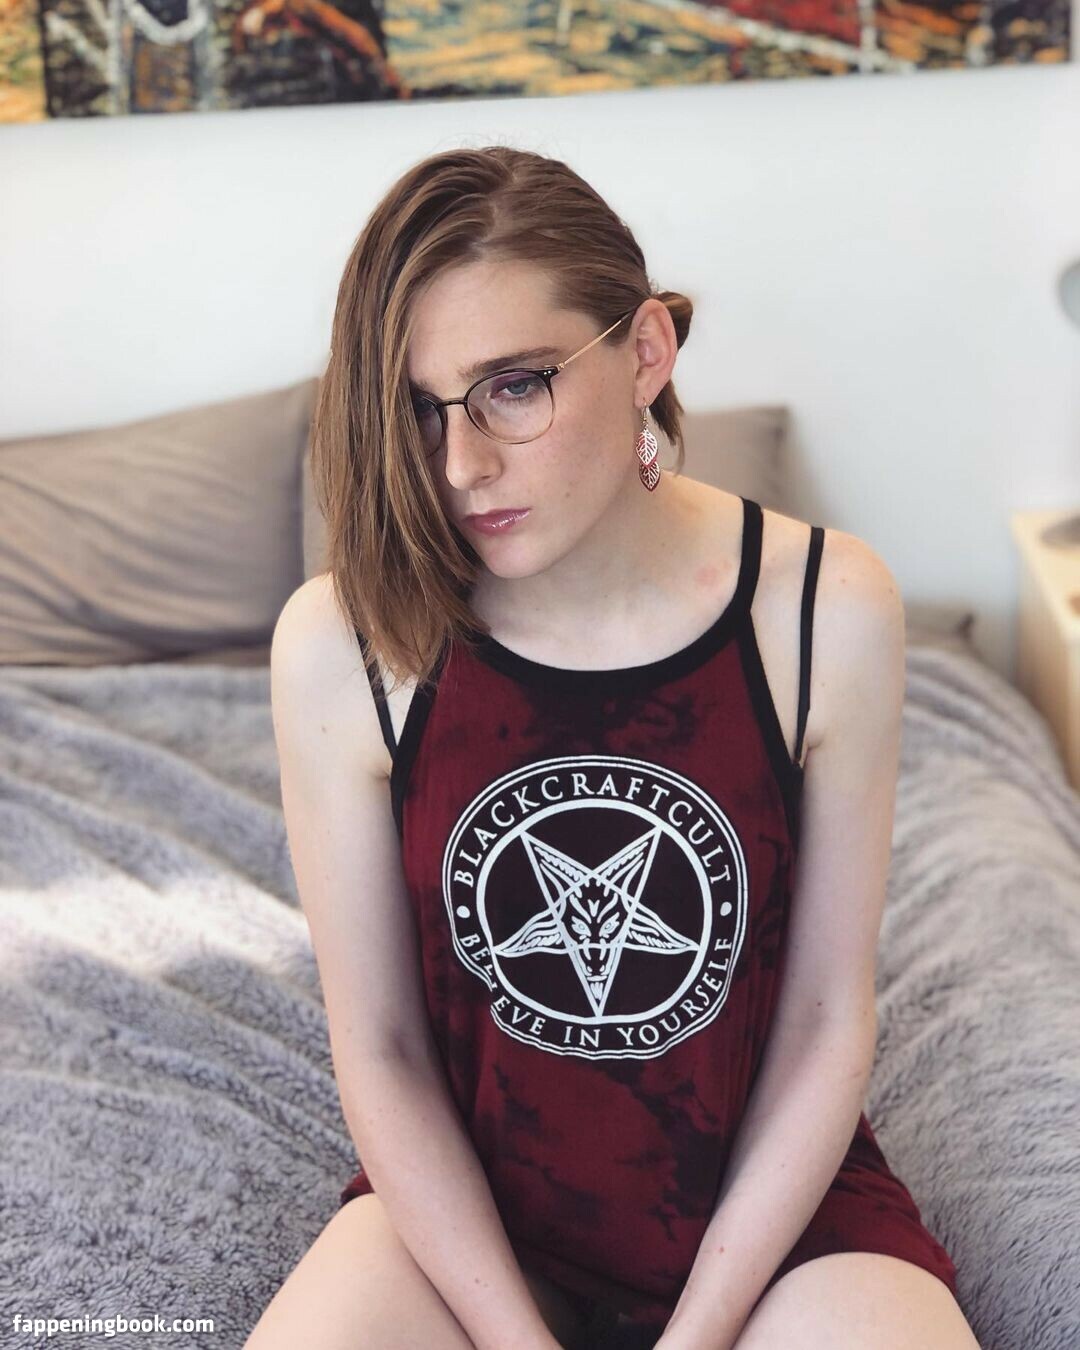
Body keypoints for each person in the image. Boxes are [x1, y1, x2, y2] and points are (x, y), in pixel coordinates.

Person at [245, 145, 981, 1350]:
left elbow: (822, 1025)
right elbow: (381, 1049)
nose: (461, 466)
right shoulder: (346, 641)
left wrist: (696, 1336)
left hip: (776, 1225)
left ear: (645, 351)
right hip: (467, 1228)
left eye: (514, 387)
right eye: (420, 409)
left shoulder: (823, 610)